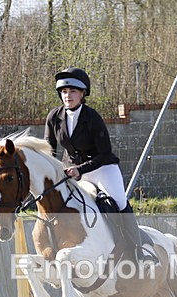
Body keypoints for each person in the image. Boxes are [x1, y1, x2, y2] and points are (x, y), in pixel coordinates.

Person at [44, 67, 156, 266]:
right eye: (64, 92)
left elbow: (105, 153)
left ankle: (139, 251)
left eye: (72, 92)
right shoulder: (54, 117)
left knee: (120, 203)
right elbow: (49, 150)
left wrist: (81, 169)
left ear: (82, 94)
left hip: (102, 169)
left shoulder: (92, 117)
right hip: (71, 171)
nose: (67, 96)